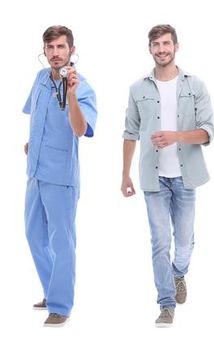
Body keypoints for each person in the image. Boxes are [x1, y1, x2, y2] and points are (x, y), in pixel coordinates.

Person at [120, 24, 214, 327]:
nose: (161, 49)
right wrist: (125, 174)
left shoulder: (195, 85)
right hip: (153, 178)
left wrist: (176, 136)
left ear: (176, 46)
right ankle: (166, 304)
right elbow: (129, 132)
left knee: (184, 241)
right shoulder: (138, 88)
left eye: (166, 43)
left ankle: (179, 273)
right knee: (160, 240)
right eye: (156, 44)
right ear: (150, 48)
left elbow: (207, 132)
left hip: (186, 178)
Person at [24, 24, 98, 328]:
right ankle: (51, 290)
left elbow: (81, 130)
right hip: (36, 171)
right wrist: (33, 142)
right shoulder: (40, 79)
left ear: (72, 51)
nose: (55, 53)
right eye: (50, 47)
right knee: (34, 235)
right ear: (44, 51)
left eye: (61, 47)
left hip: (61, 177)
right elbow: (37, 115)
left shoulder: (83, 87)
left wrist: (72, 96)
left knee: (62, 241)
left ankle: (60, 304)